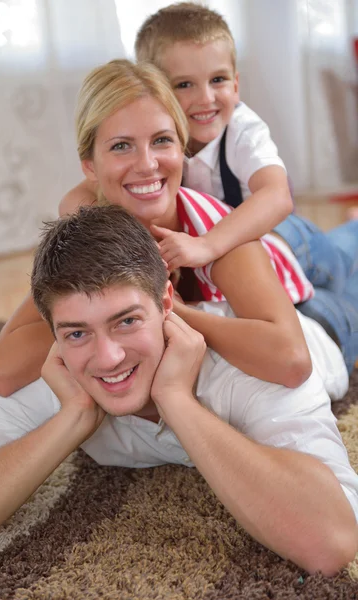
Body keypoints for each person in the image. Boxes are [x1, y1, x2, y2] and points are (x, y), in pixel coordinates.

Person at [0, 205, 357, 575]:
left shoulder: (248, 371)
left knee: (345, 249)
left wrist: (178, 401)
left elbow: (332, 541)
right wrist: (73, 418)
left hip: (327, 325)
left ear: (167, 301)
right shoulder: (58, 373)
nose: (109, 357)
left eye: (126, 321)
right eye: (78, 332)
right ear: (54, 334)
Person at [0, 59, 316, 398]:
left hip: (304, 284)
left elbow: (292, 362)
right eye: (121, 146)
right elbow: (3, 373)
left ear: (181, 147)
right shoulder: (93, 237)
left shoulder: (216, 231)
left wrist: (164, 310)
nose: (147, 165)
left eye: (162, 140)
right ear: (90, 165)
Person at [134, 2, 358, 374]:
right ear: (154, 89)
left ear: (236, 85)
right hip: (250, 262)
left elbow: (277, 196)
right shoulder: (153, 140)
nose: (206, 98)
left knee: (343, 258)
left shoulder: (241, 129)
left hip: (289, 241)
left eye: (218, 80)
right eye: (185, 84)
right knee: (314, 304)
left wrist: (207, 245)